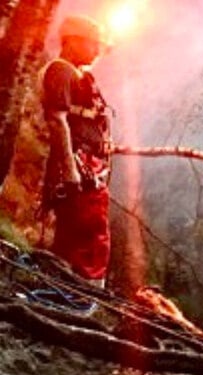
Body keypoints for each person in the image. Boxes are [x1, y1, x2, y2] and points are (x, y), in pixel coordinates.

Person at [40, 14, 113, 287]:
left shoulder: (76, 75)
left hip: (87, 163)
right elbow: (57, 120)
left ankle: (71, 291)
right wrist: (70, 172)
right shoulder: (60, 70)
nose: (97, 51)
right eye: (92, 44)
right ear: (72, 41)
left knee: (84, 231)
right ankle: (82, 294)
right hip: (79, 165)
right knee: (88, 231)